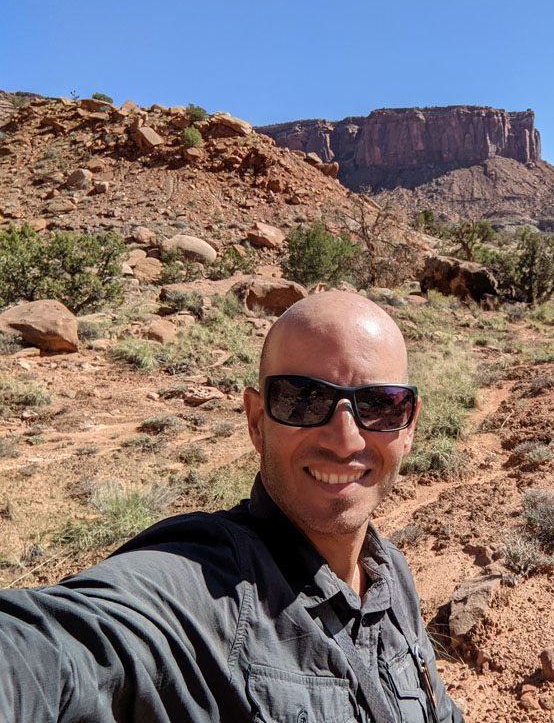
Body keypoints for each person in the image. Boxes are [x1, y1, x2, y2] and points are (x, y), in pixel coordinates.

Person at [0, 290, 465, 722]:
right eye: (303, 400)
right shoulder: (205, 590)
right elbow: (55, 650)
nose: (345, 442)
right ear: (258, 421)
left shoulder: (391, 575)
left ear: (408, 427)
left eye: (380, 405)